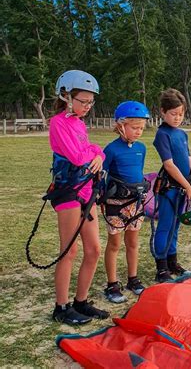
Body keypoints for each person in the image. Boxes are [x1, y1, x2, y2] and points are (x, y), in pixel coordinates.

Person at [49, 70, 109, 325]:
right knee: (69, 250)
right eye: (82, 101)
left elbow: (95, 150)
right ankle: (61, 307)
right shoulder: (58, 122)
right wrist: (94, 154)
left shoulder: (79, 123)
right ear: (65, 96)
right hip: (68, 192)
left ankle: (80, 302)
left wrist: (98, 154)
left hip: (86, 191)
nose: (87, 106)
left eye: (90, 102)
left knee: (94, 249)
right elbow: (77, 156)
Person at [102, 101, 150, 303]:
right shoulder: (111, 150)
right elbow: (101, 175)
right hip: (115, 204)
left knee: (133, 241)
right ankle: (112, 284)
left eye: (141, 128)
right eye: (135, 127)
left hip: (135, 203)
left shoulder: (141, 148)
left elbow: (137, 171)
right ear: (121, 125)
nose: (139, 132)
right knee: (114, 243)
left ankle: (133, 279)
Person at [152, 88, 191, 283]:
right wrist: (186, 185)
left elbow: (188, 158)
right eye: (173, 114)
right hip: (169, 189)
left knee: (176, 226)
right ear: (163, 112)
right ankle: (161, 268)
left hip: (184, 187)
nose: (177, 118)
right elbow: (169, 164)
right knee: (165, 226)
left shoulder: (182, 134)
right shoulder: (162, 134)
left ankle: (173, 262)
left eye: (180, 114)